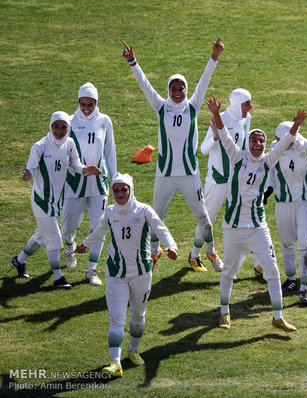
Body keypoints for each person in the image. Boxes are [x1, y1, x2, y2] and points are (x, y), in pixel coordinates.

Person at [205, 95, 307, 332]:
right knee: (229, 272)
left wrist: (296, 125)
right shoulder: (237, 157)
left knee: (272, 271)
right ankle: (224, 312)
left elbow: (283, 144)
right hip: (233, 227)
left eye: (261, 141)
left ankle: (277, 317)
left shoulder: (267, 162)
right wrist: (217, 113)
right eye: (254, 140)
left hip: (258, 227)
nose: (258, 144)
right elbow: (225, 135)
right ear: (248, 143)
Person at [122, 38, 223, 271]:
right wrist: (132, 62)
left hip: (189, 173)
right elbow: (144, 84)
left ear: (186, 90)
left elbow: (204, 81)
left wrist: (214, 57)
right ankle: (154, 252)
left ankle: (211, 253)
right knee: (157, 217)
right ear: (168, 90)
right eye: (173, 89)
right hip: (165, 174)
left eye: (181, 88)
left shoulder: (193, 106)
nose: (177, 92)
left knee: (204, 218)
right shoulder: (161, 106)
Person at [75, 173, 178, 377]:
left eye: (124, 189)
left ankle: (133, 350)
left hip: (141, 274)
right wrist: (84, 244)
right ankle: (115, 363)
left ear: (131, 190)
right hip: (116, 274)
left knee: (138, 316)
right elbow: (99, 231)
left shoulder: (144, 210)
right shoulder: (110, 212)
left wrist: (172, 246)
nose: (120, 194)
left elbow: (161, 229)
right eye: (116, 190)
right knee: (116, 319)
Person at [11, 112, 102, 289]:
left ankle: (19, 260)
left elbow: (75, 165)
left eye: (63, 127)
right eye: (56, 126)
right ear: (50, 126)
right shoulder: (40, 146)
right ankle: (58, 278)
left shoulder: (69, 143)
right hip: (41, 200)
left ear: (68, 128)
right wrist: (28, 174)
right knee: (54, 238)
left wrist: (86, 169)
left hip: (57, 201)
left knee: (41, 234)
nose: (59, 130)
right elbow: (30, 167)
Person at [189, 88, 262, 275]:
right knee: (208, 219)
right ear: (238, 103)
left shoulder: (247, 118)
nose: (250, 107)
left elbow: (244, 144)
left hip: (238, 178)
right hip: (218, 178)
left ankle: (258, 263)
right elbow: (204, 149)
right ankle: (195, 255)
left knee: (246, 215)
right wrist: (215, 136)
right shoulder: (220, 118)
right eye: (247, 103)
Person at [263, 121, 307, 305]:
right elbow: (271, 171)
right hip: (283, 202)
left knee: (304, 243)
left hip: (305, 202)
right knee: (286, 242)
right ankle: (291, 280)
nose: (276, 143)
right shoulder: (276, 147)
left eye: (280, 140)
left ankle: (305, 289)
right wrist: (269, 190)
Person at [62, 82, 117, 287]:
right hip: (74, 183)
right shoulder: (68, 121)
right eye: (83, 104)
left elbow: (110, 153)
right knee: (67, 227)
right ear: (78, 102)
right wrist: (81, 169)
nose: (86, 108)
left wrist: (114, 179)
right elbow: (65, 154)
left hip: (99, 185)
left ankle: (91, 269)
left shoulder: (104, 121)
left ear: (96, 103)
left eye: (91, 104)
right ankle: (69, 248)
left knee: (99, 227)